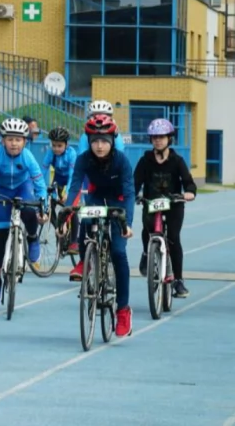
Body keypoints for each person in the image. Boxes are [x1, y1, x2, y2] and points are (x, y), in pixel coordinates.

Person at [63, 114, 135, 338]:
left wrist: (127, 224)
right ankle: (86, 261)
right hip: (96, 198)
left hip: (119, 203)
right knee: (85, 219)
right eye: (95, 141)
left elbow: (130, 192)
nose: (100, 146)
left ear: (112, 141)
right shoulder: (84, 159)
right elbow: (75, 188)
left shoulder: (121, 160)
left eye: (104, 140)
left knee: (118, 252)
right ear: (89, 141)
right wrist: (65, 216)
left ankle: (123, 310)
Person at [0, 118, 48, 307]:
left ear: (25, 142)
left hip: (22, 186)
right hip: (3, 190)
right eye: (10, 139)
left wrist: (43, 209)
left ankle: (31, 237)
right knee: (0, 233)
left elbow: (40, 185)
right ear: (3, 141)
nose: (14, 143)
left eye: (18, 140)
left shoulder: (28, 157)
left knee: (29, 209)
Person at [134, 118, 196, 299]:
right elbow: (135, 182)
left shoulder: (177, 161)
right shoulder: (145, 160)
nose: (158, 141)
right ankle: (147, 253)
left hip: (174, 204)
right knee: (147, 229)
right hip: (151, 202)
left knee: (174, 238)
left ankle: (178, 280)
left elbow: (189, 183)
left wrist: (189, 193)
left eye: (161, 137)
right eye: (154, 138)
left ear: (170, 138)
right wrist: (133, 194)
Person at [42, 127, 79, 255]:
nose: (56, 148)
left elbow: (72, 175)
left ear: (66, 144)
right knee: (49, 204)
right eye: (54, 145)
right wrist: (40, 188)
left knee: (71, 208)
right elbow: (43, 171)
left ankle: (74, 241)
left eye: (59, 146)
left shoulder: (71, 154)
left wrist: (67, 192)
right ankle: (58, 227)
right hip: (58, 180)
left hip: (72, 181)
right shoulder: (50, 153)